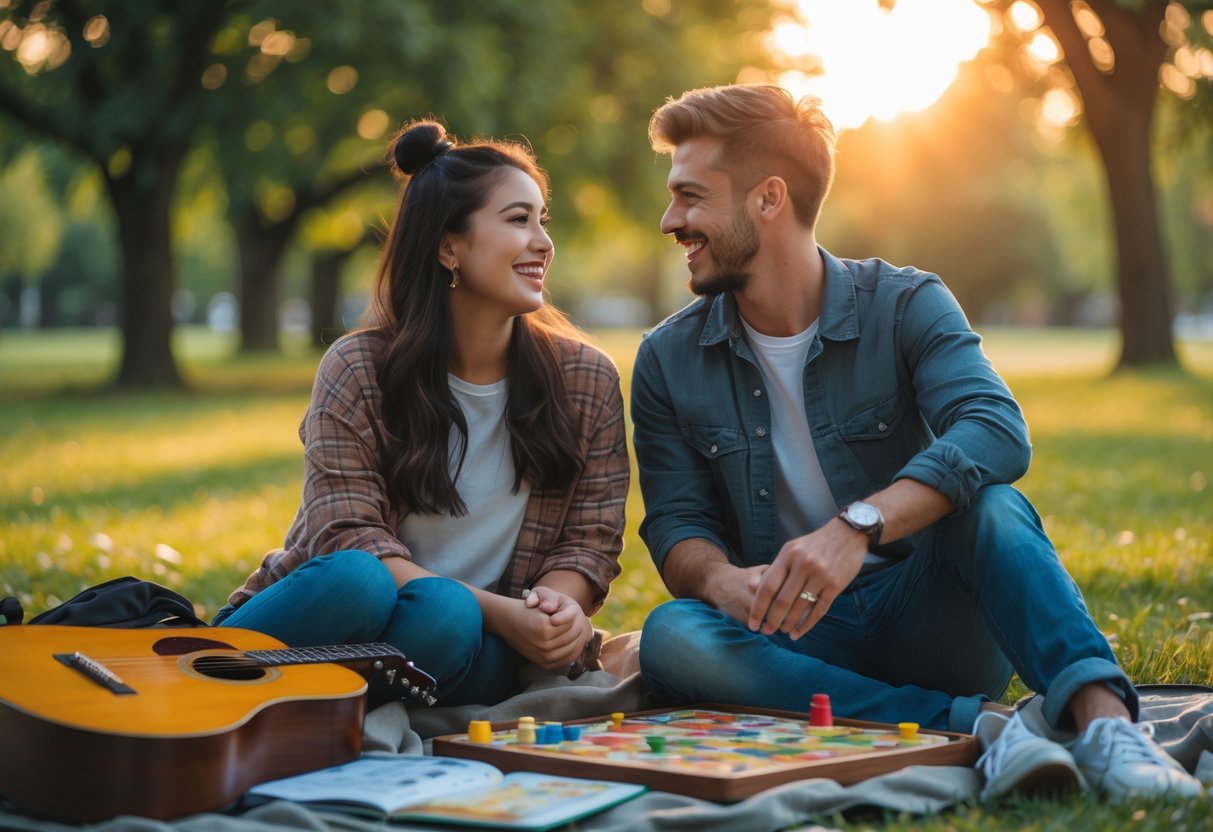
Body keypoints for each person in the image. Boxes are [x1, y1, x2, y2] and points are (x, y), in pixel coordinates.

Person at [631, 84, 1202, 802]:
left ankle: (1107, 728)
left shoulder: (903, 303)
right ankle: (981, 728)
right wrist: (722, 583)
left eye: (689, 197)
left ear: (767, 199)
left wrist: (854, 528)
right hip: (796, 642)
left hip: (929, 618)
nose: (669, 220)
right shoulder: (666, 358)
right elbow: (677, 521)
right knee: (672, 634)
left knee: (990, 507)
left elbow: (994, 429)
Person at [214, 120, 629, 707]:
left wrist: (555, 609)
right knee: (361, 581)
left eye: (543, 220)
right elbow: (348, 539)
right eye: (518, 219)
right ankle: (212, 678)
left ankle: (312, 709)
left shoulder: (586, 379)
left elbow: (590, 539)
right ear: (447, 246)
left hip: (467, 645)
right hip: (332, 612)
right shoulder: (358, 368)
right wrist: (504, 614)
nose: (543, 242)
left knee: (450, 619)